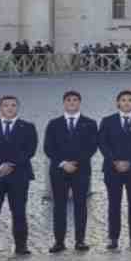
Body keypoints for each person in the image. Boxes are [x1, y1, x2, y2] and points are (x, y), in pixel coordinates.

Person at [0, 95, 37, 258]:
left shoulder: (28, 127)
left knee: (19, 211)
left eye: (13, 105)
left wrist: (11, 164)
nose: (9, 108)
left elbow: (30, 150)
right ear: (0, 108)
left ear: (17, 107)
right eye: (6, 105)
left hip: (19, 175)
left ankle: (21, 246)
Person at [44, 89, 100, 252]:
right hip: (59, 171)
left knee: (81, 206)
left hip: (81, 170)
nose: (72, 103)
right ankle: (59, 242)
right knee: (59, 206)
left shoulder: (90, 123)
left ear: (79, 103)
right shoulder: (54, 124)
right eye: (68, 100)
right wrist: (63, 163)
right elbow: (48, 147)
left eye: (75, 100)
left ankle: (80, 240)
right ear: (64, 103)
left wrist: (75, 163)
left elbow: (92, 147)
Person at [98, 90, 131, 250]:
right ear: (117, 103)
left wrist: (129, 162)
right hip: (112, 169)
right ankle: (113, 238)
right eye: (123, 100)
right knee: (114, 204)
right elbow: (102, 143)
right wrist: (115, 161)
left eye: (130, 100)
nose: (126, 103)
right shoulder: (107, 121)